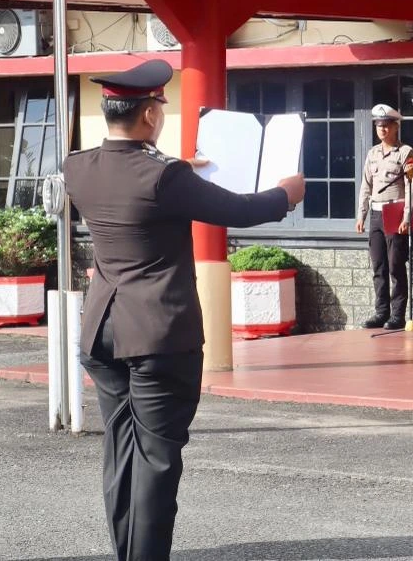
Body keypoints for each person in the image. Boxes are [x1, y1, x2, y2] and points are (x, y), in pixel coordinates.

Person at [64, 59, 305, 561]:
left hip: (102, 331)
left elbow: (131, 181)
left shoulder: (78, 166)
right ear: (151, 115)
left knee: (121, 450)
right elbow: (240, 210)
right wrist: (286, 193)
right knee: (156, 460)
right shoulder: (166, 176)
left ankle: (126, 551)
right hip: (157, 333)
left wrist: (174, 170)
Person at [355, 104, 413, 329]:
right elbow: (365, 185)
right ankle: (381, 311)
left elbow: (411, 188)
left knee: (395, 266)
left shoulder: (406, 153)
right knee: (378, 266)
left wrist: (407, 217)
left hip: (395, 212)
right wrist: (361, 214)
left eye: (386, 125)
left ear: (395, 127)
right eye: (378, 126)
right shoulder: (372, 153)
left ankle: (397, 315)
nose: (381, 130)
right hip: (376, 213)